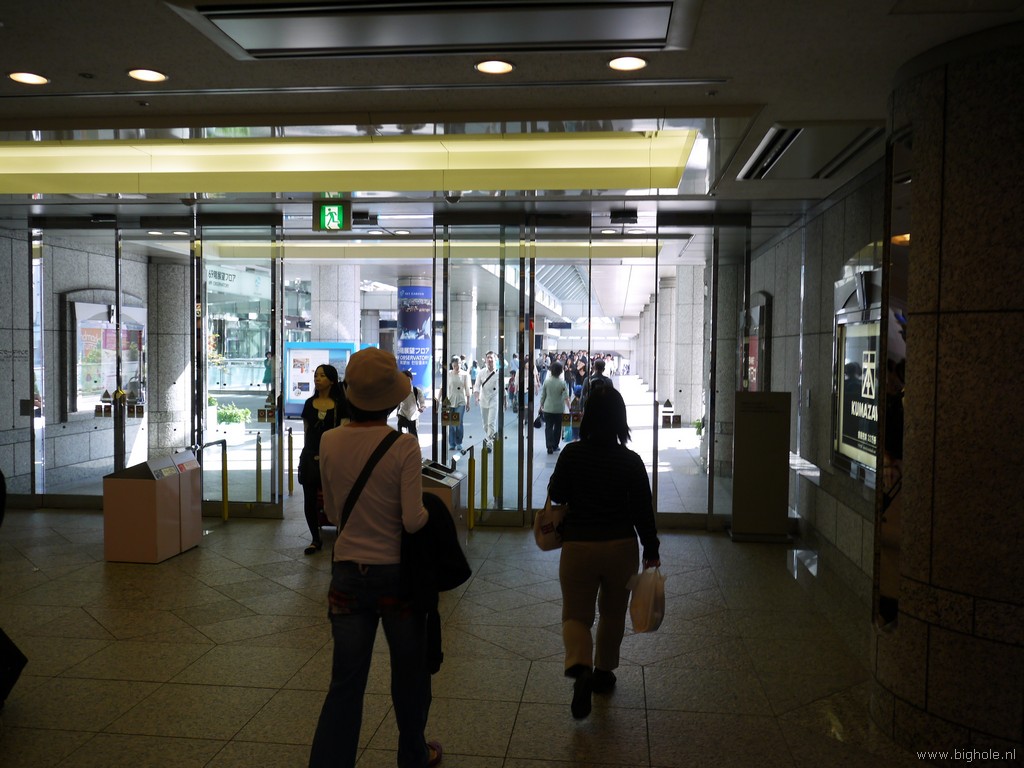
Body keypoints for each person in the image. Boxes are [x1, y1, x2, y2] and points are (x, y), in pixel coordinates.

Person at [309, 347, 441, 768]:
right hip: (397, 578)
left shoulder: (330, 440)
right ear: (389, 399)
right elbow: (413, 520)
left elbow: (332, 514)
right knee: (409, 675)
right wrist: (432, 512)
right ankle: (413, 755)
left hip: (347, 575)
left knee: (345, 683)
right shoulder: (404, 446)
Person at [548, 385, 660, 720]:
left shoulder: (571, 454)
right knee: (612, 614)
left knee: (575, 615)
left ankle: (580, 666)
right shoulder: (631, 461)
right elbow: (643, 511)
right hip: (620, 547)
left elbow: (557, 493)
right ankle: (603, 672)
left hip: (578, 546)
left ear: (587, 417)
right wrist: (651, 549)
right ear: (620, 420)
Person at [299, 363, 348, 556]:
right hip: (311, 456)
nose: (317, 379)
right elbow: (306, 432)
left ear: (332, 380)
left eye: (322, 376)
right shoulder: (308, 404)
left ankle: (341, 535)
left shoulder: (341, 404)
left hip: (333, 458)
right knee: (309, 499)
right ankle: (315, 539)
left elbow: (344, 434)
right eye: (316, 375)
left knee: (336, 499)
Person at [539, 360, 570, 455]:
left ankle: (549, 446)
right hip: (559, 409)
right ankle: (555, 445)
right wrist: (570, 407)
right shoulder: (562, 383)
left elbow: (543, 396)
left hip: (548, 408)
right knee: (557, 427)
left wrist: (541, 406)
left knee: (548, 427)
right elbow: (566, 397)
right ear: (560, 371)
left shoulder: (547, 382)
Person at [473, 351, 501, 441]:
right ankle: (491, 437)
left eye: (491, 357)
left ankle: (490, 442)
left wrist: (504, 401)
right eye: (488, 357)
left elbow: (502, 388)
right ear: (485, 360)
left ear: (495, 360)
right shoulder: (481, 373)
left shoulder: (499, 373)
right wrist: (476, 397)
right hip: (483, 401)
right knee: (485, 425)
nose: (489, 359)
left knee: (491, 423)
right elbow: (477, 386)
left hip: (494, 400)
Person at [445, 356, 470, 452]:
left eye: (458, 365)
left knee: (458, 422)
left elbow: (467, 389)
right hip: (449, 401)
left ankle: (459, 442)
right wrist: (438, 400)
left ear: (461, 364)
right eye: (454, 365)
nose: (456, 367)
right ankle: (452, 443)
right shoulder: (448, 374)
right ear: (452, 365)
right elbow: (444, 387)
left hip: (461, 401)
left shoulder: (465, 374)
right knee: (451, 423)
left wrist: (468, 402)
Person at [397, 370, 426, 436]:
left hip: (414, 416)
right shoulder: (399, 390)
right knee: (401, 436)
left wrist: (421, 409)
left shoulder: (417, 391)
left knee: (413, 436)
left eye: (408, 379)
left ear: (411, 379)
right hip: (402, 415)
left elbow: (423, 404)